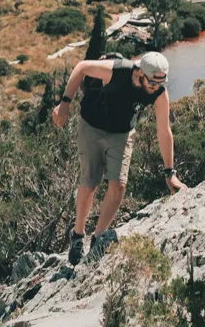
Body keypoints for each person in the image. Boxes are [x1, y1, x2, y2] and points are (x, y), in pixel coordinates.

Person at [52, 51, 186, 264]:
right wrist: (65, 102)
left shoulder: (159, 93)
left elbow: (164, 131)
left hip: (122, 133)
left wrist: (170, 173)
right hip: (91, 126)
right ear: (140, 72)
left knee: (119, 185)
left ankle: (98, 238)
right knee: (90, 183)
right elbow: (82, 67)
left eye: (159, 84)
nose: (154, 87)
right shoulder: (120, 70)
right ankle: (78, 235)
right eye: (151, 82)